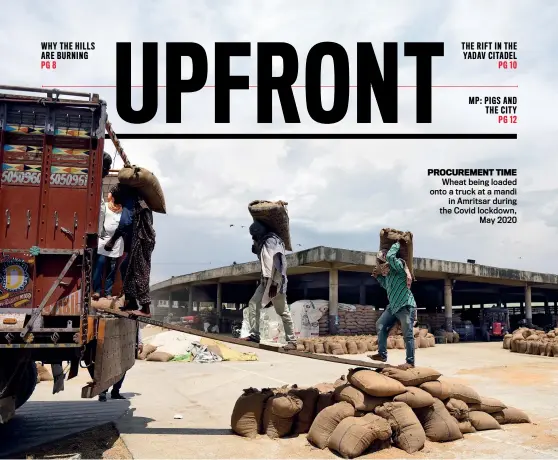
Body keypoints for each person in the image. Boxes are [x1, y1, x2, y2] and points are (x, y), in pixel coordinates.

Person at [243, 220, 296, 350]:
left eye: (254, 235)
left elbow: (280, 263)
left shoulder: (271, 241)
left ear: (259, 233)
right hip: (265, 282)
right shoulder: (263, 242)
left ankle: (292, 341)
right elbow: (264, 258)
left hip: (275, 283)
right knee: (253, 303)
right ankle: (255, 335)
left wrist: (275, 283)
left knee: (282, 312)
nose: (253, 238)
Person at [370, 240, 417, 369]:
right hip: (393, 306)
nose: (381, 266)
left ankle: (410, 362)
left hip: (405, 305)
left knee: (407, 334)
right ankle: (382, 354)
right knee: (380, 324)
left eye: (381, 263)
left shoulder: (398, 266)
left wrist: (397, 243)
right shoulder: (389, 275)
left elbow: (391, 256)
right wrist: (378, 278)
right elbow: (388, 287)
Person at [93, 188, 124, 299]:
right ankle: (96, 290)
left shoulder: (123, 210)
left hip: (117, 242)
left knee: (112, 268)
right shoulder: (105, 206)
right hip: (104, 239)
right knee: (100, 264)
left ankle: (108, 292)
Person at [99, 326, 143, 402]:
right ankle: (103, 392)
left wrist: (140, 342)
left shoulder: (131, 317)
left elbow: (136, 327)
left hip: (125, 345)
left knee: (122, 369)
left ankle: (115, 391)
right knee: (109, 369)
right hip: (111, 344)